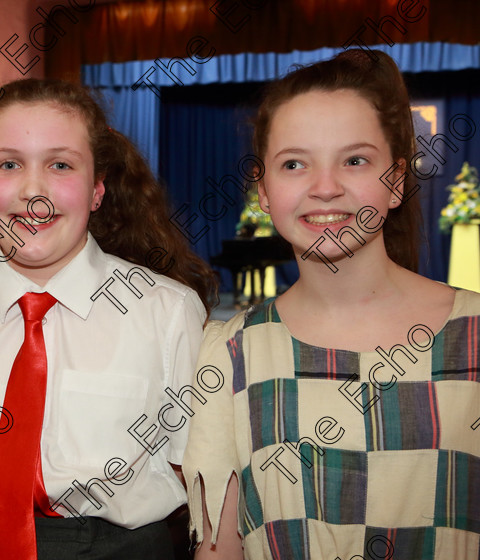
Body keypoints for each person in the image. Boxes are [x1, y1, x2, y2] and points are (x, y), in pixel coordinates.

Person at [0, 78, 217, 559]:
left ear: (97, 190)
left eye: (60, 165)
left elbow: (196, 475)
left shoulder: (167, 313)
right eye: (8, 165)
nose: (33, 191)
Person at [184, 49, 480, 559]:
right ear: (264, 190)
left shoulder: (475, 332)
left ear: (397, 182)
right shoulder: (229, 355)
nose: (325, 188)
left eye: (355, 160)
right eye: (295, 163)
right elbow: (219, 549)